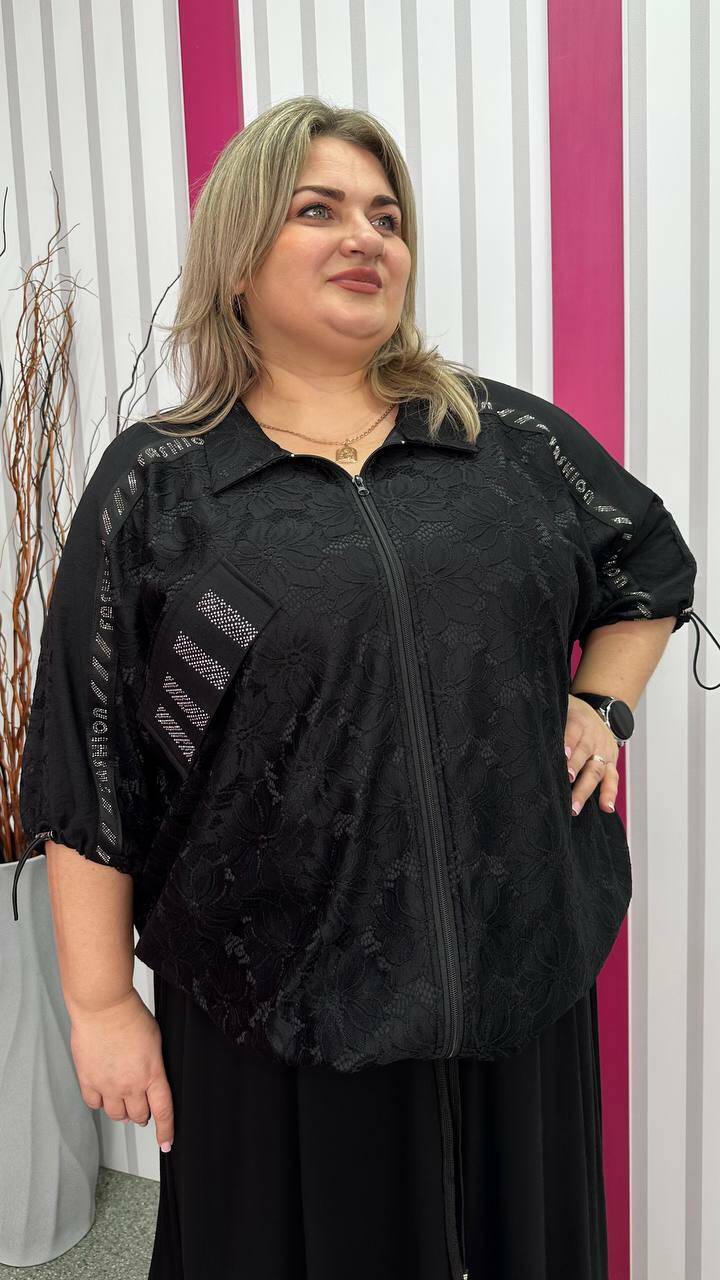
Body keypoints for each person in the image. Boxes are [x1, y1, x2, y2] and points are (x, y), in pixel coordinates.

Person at [12, 96, 714, 1280]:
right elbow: (91, 757)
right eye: (319, 209)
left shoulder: (498, 439)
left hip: (513, 980)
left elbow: (646, 560)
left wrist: (602, 701)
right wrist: (99, 1003)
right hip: (275, 1015)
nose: (365, 238)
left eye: (386, 217)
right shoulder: (162, 486)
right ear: (239, 257)